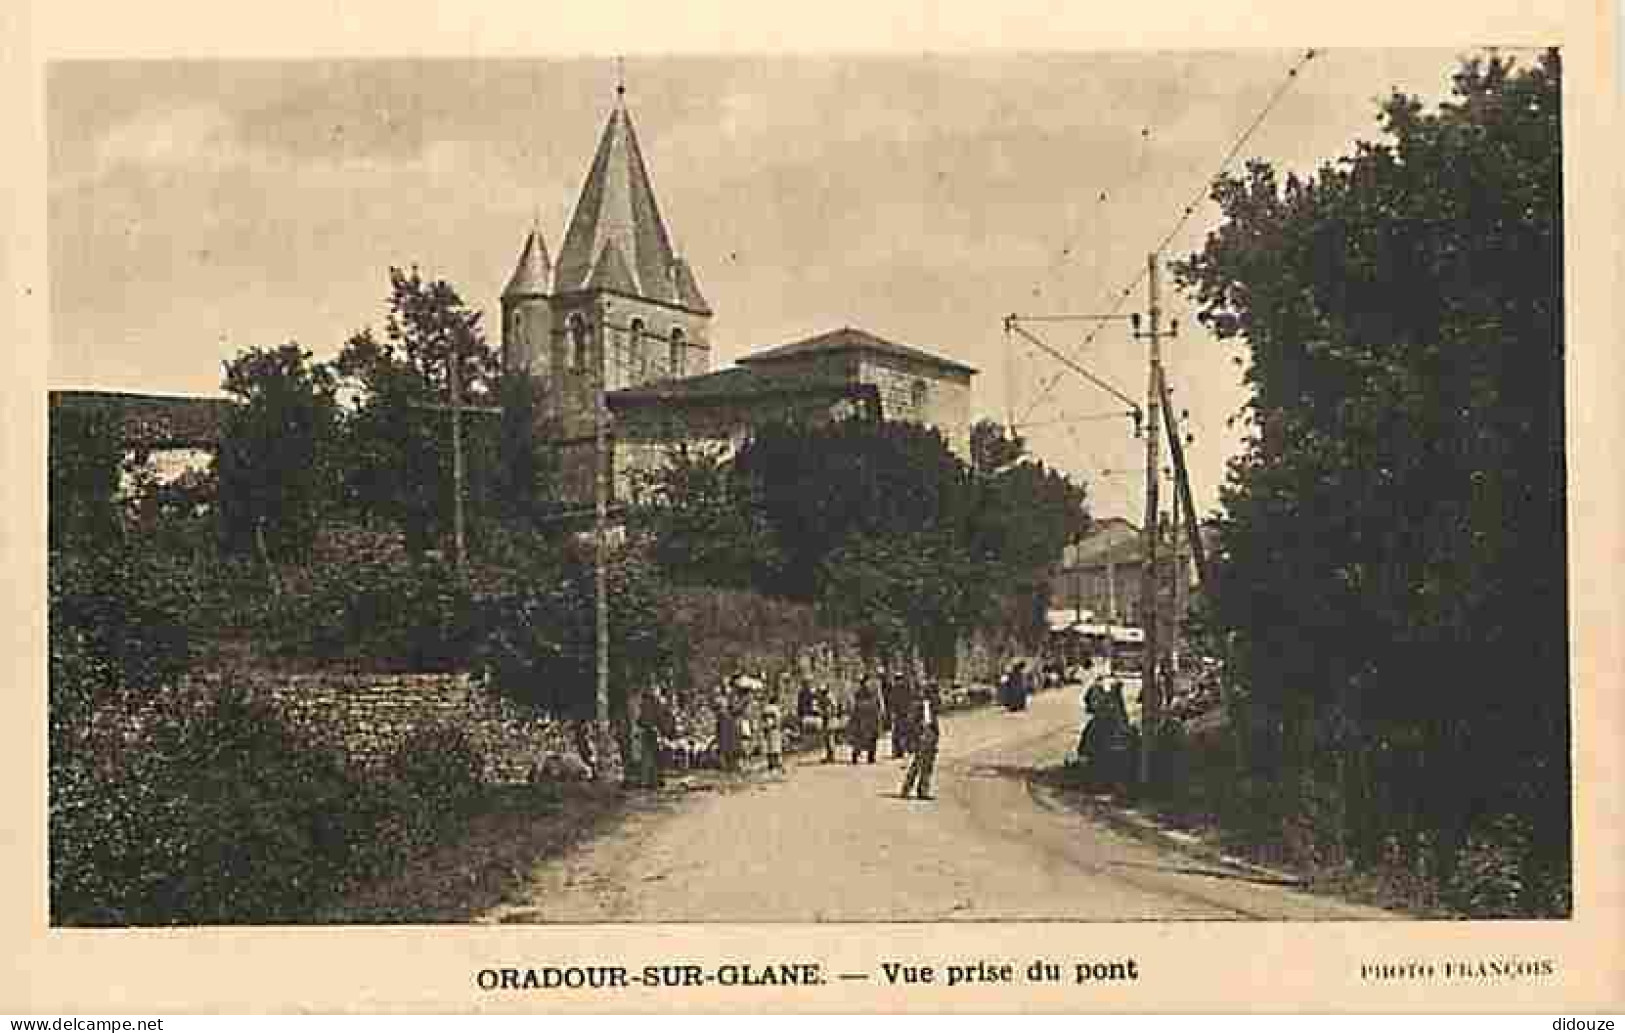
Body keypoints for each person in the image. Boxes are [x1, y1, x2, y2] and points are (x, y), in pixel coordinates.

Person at [900, 684, 942, 800]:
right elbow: (910, 722)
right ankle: (906, 789)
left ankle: (923, 791)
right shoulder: (917, 706)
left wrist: (935, 736)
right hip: (920, 736)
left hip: (930, 736)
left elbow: (934, 722)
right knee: (917, 764)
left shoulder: (932, 707)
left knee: (928, 765)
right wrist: (913, 737)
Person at [849, 675, 882, 764]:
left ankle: (869, 757)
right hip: (865, 719)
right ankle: (859, 756)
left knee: (867, 738)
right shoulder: (867, 692)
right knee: (863, 738)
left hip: (867, 718)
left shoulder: (865, 692)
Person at [762, 693, 785, 772]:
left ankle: (770, 765)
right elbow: (778, 720)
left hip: (767, 729)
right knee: (776, 748)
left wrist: (765, 728)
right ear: (775, 701)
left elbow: (763, 719)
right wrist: (778, 727)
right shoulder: (775, 708)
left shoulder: (765, 708)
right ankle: (778, 765)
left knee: (769, 747)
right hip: (774, 729)